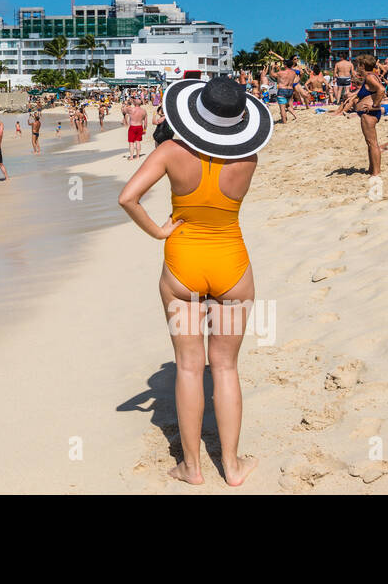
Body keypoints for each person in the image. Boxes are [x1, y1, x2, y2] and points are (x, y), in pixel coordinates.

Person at [117, 75, 273, 487]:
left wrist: (158, 231)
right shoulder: (249, 158)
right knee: (224, 367)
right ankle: (234, 467)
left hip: (184, 263)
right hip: (232, 267)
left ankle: (191, 467)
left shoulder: (171, 150)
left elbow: (127, 197)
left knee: (189, 367)